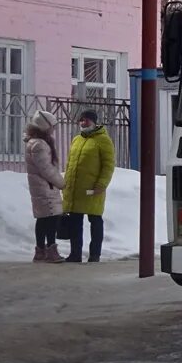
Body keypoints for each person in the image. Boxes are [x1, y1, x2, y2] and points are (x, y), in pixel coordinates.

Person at [62, 108, 116, 263]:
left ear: (94, 122)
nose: (83, 122)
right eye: (81, 120)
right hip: (76, 189)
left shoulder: (103, 140)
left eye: (87, 120)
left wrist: (101, 184)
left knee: (95, 220)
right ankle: (75, 254)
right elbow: (70, 164)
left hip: (93, 189)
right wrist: (66, 184)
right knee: (75, 222)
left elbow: (108, 165)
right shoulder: (77, 140)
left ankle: (94, 254)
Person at [24, 110, 66, 263]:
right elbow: (46, 169)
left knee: (43, 219)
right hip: (46, 188)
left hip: (42, 187)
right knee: (50, 219)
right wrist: (61, 183)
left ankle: (40, 251)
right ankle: (50, 251)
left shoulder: (35, 142)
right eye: (52, 126)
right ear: (45, 126)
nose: (53, 129)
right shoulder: (40, 145)